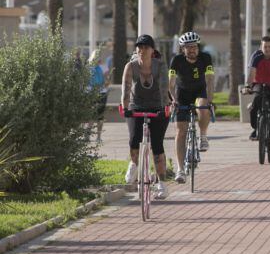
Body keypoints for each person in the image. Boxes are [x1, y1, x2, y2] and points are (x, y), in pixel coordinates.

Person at [121, 35, 170, 199]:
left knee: (157, 145)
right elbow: (126, 89)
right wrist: (126, 107)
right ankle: (134, 164)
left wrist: (164, 108)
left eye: (146, 47)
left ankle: (162, 184)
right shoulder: (131, 66)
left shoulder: (160, 66)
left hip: (158, 107)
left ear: (152, 50)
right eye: (139, 47)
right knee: (134, 139)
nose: (142, 50)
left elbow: (164, 89)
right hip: (136, 106)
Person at [169, 31, 214, 184]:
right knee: (181, 131)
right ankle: (180, 169)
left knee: (203, 105)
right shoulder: (176, 60)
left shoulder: (205, 58)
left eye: (194, 46)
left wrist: (210, 100)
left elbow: (210, 80)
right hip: (182, 94)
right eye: (188, 47)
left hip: (199, 91)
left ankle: (203, 136)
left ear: (198, 47)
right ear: (183, 49)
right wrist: (174, 100)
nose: (192, 50)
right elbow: (171, 83)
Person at [88, 48, 109, 145]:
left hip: (100, 93)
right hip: (93, 93)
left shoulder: (103, 67)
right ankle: (89, 136)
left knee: (98, 116)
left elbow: (107, 81)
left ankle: (98, 137)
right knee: (92, 115)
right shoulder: (90, 67)